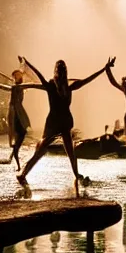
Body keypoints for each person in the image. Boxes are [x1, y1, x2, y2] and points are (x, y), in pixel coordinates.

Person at [16, 56, 114, 194]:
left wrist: (28, 63)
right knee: (50, 150)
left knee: (64, 151)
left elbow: (40, 75)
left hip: (61, 122)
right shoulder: (59, 86)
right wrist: (104, 68)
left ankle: (75, 174)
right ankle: (23, 174)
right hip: (58, 122)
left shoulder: (61, 86)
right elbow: (87, 79)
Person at [0, 61, 32, 170]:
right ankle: (13, 151)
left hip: (19, 110)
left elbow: (11, 85)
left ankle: (14, 153)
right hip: (14, 109)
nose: (15, 77)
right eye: (15, 76)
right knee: (13, 127)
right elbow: (8, 88)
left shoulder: (20, 86)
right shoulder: (16, 87)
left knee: (20, 131)